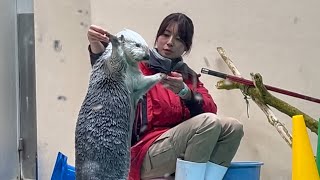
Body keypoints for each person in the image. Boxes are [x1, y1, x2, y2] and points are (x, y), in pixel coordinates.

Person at [87, 13, 244, 180]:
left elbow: (211, 109)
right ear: (157, 38)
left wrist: (185, 93)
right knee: (207, 122)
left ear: (186, 47)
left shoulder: (188, 77)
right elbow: (107, 72)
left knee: (233, 127)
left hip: (176, 150)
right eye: (165, 34)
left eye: (179, 39)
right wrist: (96, 45)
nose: (170, 42)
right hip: (140, 154)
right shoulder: (135, 67)